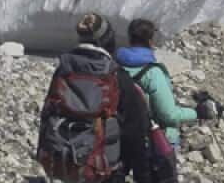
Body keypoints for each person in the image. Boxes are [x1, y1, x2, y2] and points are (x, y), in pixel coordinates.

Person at [38, 13, 153, 183]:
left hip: (66, 165)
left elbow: (47, 114)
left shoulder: (63, 72)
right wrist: (143, 176)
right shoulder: (117, 77)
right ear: (108, 40)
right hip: (105, 170)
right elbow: (137, 132)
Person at [118, 19, 216, 155]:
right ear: (150, 41)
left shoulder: (116, 66)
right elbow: (169, 115)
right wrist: (198, 113)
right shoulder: (153, 73)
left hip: (124, 137)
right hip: (154, 142)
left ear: (130, 38)